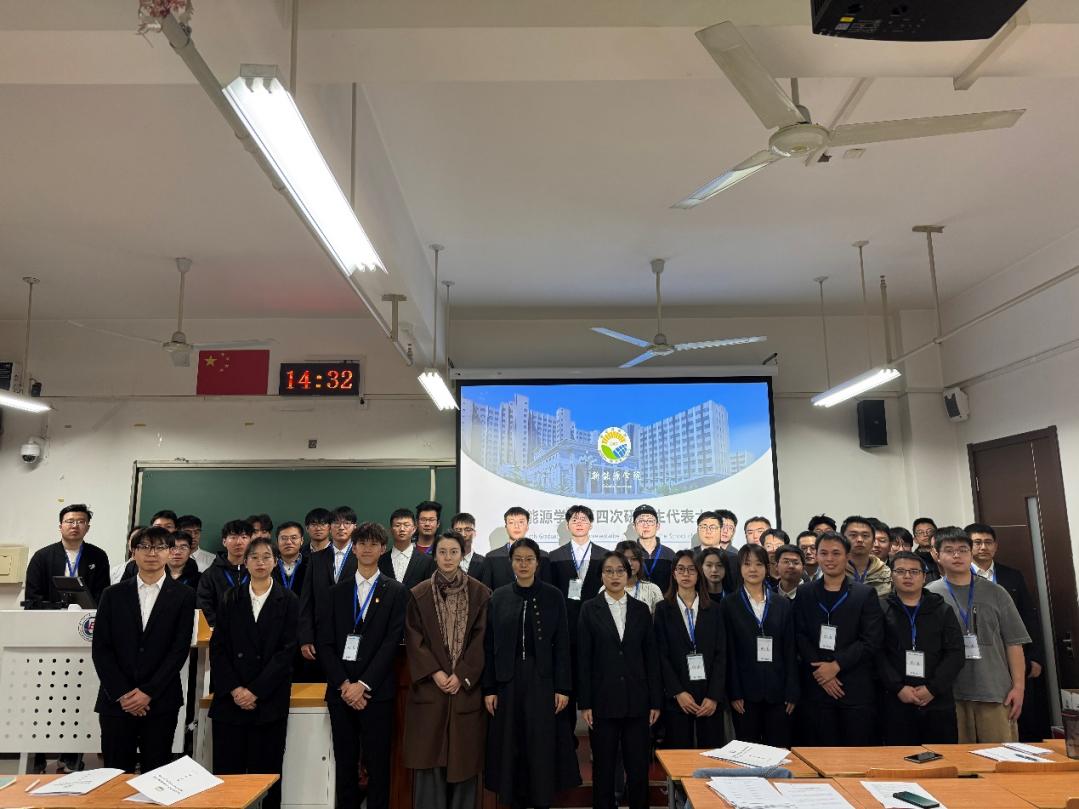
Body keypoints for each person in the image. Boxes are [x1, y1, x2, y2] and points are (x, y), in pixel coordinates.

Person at [483, 538, 580, 808]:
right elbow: (489, 645)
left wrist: (563, 687)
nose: (523, 564)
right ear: (511, 563)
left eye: (529, 559)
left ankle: (541, 800)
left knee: (540, 745)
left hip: (543, 681)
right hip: (508, 682)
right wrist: (489, 688)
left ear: (538, 563)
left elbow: (562, 644)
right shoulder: (499, 596)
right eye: (518, 559)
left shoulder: (553, 596)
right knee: (510, 744)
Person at [318, 522, 407, 809]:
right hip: (341, 692)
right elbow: (325, 643)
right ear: (353, 548)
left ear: (383, 549)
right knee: (344, 763)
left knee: (379, 764)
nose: (367, 549)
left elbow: (391, 643)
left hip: (376, 693)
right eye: (362, 543)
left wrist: (363, 685)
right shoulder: (336, 592)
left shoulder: (396, 591)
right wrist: (345, 684)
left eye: (373, 544)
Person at [91, 526, 195, 772]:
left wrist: (148, 692)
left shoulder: (184, 595)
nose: (152, 553)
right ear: (133, 551)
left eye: (160, 547)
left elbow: (179, 649)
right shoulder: (112, 594)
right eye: (145, 547)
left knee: (156, 773)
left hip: (161, 700)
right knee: (115, 774)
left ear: (169, 552)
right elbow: (101, 648)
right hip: (117, 700)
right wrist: (123, 693)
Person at [209, 536, 299, 809]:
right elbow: (219, 647)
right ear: (245, 562)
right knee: (228, 775)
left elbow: (287, 651)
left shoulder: (289, 599)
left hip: (268, 700)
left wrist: (256, 691)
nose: (260, 562)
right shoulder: (230, 597)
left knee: (268, 774)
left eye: (266, 557)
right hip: (231, 699)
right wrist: (236, 689)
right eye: (254, 557)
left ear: (276, 562)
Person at [404, 531, 491, 809]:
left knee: (464, 760)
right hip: (431, 689)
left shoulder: (480, 593)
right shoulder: (418, 594)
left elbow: (481, 639)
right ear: (434, 555)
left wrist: (462, 674)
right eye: (442, 552)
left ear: (462, 554)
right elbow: (414, 639)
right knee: (429, 759)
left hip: (465, 689)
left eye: (454, 552)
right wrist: (436, 673)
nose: (448, 557)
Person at [927, 526, 1030, 743]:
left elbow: (1014, 643)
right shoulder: (930, 594)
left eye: (963, 550)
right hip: (949, 695)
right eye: (949, 550)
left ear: (971, 552)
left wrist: (1019, 687)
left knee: (1001, 756)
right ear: (937, 555)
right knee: (958, 760)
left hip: (995, 693)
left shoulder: (996, 592)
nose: (957, 555)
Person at [578, 551, 661, 809]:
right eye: (609, 571)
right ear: (601, 575)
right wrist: (585, 703)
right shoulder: (589, 609)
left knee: (638, 767)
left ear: (629, 574)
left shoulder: (641, 610)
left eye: (620, 571)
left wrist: (655, 701)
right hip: (603, 701)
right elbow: (583, 659)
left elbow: (651, 657)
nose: (615, 576)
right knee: (603, 767)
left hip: (638, 701)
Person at [793, 530, 883, 746]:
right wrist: (822, 673)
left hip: (853, 687)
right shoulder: (805, 592)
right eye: (824, 553)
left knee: (856, 753)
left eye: (836, 553)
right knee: (820, 753)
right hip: (816, 688)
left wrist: (836, 666)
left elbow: (871, 640)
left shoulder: (864, 593)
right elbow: (799, 635)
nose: (829, 559)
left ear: (847, 556)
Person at [967, 522, 1049, 741]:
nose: (983, 547)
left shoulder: (1012, 576)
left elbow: (1028, 617)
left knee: (1021, 710)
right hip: (979, 657)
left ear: (996, 546)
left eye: (988, 542)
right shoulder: (960, 577)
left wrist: (1036, 656)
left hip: (1014, 650)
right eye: (977, 542)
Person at [877, 551, 964, 745]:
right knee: (899, 758)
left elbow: (956, 653)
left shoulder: (942, 609)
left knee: (941, 757)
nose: (907, 576)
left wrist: (932, 688)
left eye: (914, 571)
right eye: (901, 571)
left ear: (924, 577)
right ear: (892, 575)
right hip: (895, 699)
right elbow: (877, 653)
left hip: (937, 699)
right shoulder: (881, 609)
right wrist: (898, 687)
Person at [723, 544, 798, 747]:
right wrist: (734, 692)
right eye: (747, 564)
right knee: (748, 752)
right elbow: (729, 652)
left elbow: (790, 649)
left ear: (767, 567)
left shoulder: (782, 603)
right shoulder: (729, 604)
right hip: (745, 694)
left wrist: (792, 691)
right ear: (739, 568)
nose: (753, 569)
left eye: (758, 564)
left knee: (779, 751)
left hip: (778, 692)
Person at [655, 550, 726, 748]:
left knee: (711, 753)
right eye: (680, 569)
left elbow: (721, 654)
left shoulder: (714, 609)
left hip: (708, 693)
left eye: (691, 569)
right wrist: (678, 692)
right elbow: (661, 655)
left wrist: (713, 696)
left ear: (699, 573)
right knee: (678, 754)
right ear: (674, 573)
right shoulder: (662, 609)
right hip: (677, 695)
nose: (686, 574)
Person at [298, 506, 359, 674]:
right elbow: (306, 601)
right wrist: (305, 637)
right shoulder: (316, 559)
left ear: (354, 527)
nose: (341, 527)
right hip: (321, 635)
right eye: (336, 523)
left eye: (347, 523)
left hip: (353, 635)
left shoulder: (362, 558)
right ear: (329, 527)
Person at [25, 503, 110, 607]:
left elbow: (102, 595)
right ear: (60, 527)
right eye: (70, 521)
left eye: (81, 522)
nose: (75, 526)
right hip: (50, 614)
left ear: (87, 527)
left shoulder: (98, 556)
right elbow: (32, 596)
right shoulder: (42, 557)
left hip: (87, 615)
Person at [196, 519, 252, 627]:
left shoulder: (258, 571)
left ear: (251, 541)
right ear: (224, 541)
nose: (239, 542)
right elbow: (204, 607)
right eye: (233, 537)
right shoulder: (210, 574)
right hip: (220, 632)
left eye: (244, 537)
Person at [481, 507, 552, 590]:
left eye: (521, 522)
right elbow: (486, 591)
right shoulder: (491, 557)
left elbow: (548, 589)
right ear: (506, 527)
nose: (516, 526)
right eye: (511, 522)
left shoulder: (543, 556)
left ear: (527, 526)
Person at [380, 508, 437, 587]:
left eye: (406, 525)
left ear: (414, 529)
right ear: (390, 530)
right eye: (397, 525)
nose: (402, 529)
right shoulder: (380, 561)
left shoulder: (427, 561)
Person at [843, 515, 893, 597]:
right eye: (853, 535)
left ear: (873, 541)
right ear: (843, 539)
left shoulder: (886, 573)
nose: (859, 540)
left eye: (865, 535)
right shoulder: (835, 570)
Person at [634, 504, 675, 594]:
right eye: (641, 521)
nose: (646, 525)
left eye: (650, 521)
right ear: (634, 526)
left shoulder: (669, 554)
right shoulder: (628, 554)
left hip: (664, 601)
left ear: (657, 526)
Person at [614, 539, 664, 614]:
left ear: (640, 562)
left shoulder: (653, 590)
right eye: (625, 559)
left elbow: (661, 619)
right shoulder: (606, 589)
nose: (630, 563)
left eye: (634, 559)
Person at [272, 521, 307, 595]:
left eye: (293, 538)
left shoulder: (311, 564)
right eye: (284, 538)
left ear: (301, 541)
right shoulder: (269, 565)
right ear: (277, 542)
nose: (288, 542)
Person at [450, 512, 486, 581]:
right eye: (458, 530)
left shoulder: (484, 563)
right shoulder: (443, 560)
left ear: (474, 533)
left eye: (468, 530)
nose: (463, 534)